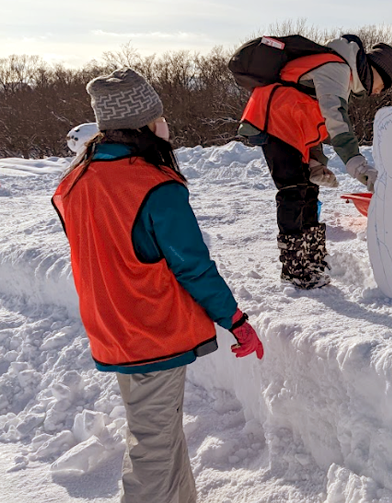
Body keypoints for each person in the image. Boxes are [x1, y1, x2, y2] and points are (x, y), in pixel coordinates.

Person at [52, 67, 263, 503]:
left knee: (160, 438)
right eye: (159, 116)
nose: (165, 124)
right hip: (151, 330)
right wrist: (235, 320)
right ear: (144, 124)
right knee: (153, 449)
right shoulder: (153, 185)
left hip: (110, 327)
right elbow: (192, 266)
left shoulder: (73, 183)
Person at [237, 35, 392, 289]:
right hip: (276, 123)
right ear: (373, 70)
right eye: (383, 83)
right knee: (293, 191)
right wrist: (358, 165)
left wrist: (315, 162)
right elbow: (336, 120)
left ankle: (312, 259)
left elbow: (310, 112)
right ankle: (295, 267)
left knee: (310, 189)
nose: (379, 92)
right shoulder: (337, 68)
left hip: (293, 130)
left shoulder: (337, 73)